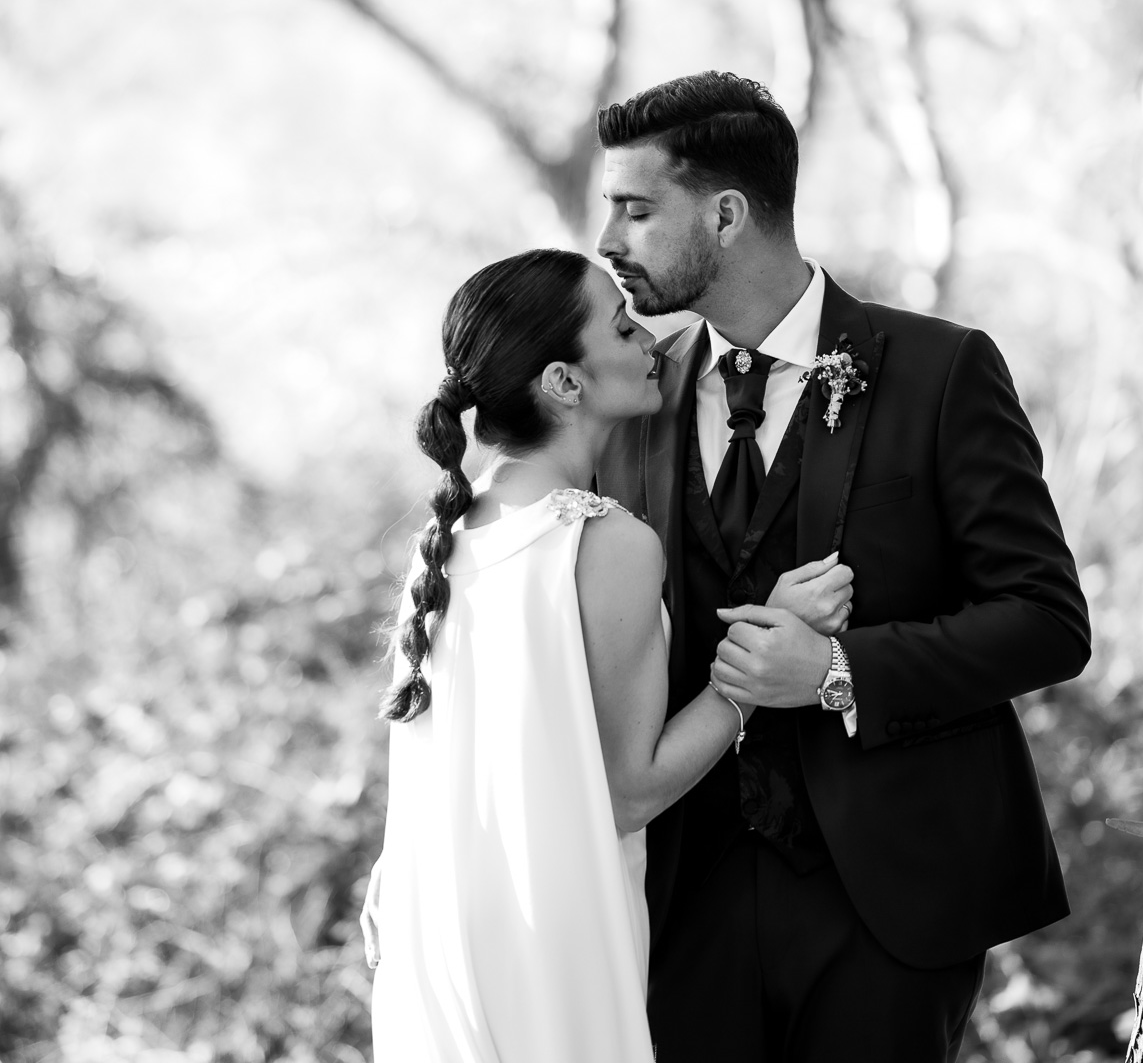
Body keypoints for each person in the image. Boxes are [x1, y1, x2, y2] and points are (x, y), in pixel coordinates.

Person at [592, 72, 1091, 1062]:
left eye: (637, 210)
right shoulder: (630, 400)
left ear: (728, 213)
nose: (609, 243)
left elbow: (1046, 619)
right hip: (679, 906)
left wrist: (835, 671)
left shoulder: (941, 370)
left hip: (887, 903)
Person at [360, 247, 855, 1062]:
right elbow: (632, 791)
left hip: (436, 927)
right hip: (551, 938)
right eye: (623, 327)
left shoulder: (444, 539)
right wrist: (762, 654)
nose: (650, 340)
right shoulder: (605, 543)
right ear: (564, 382)